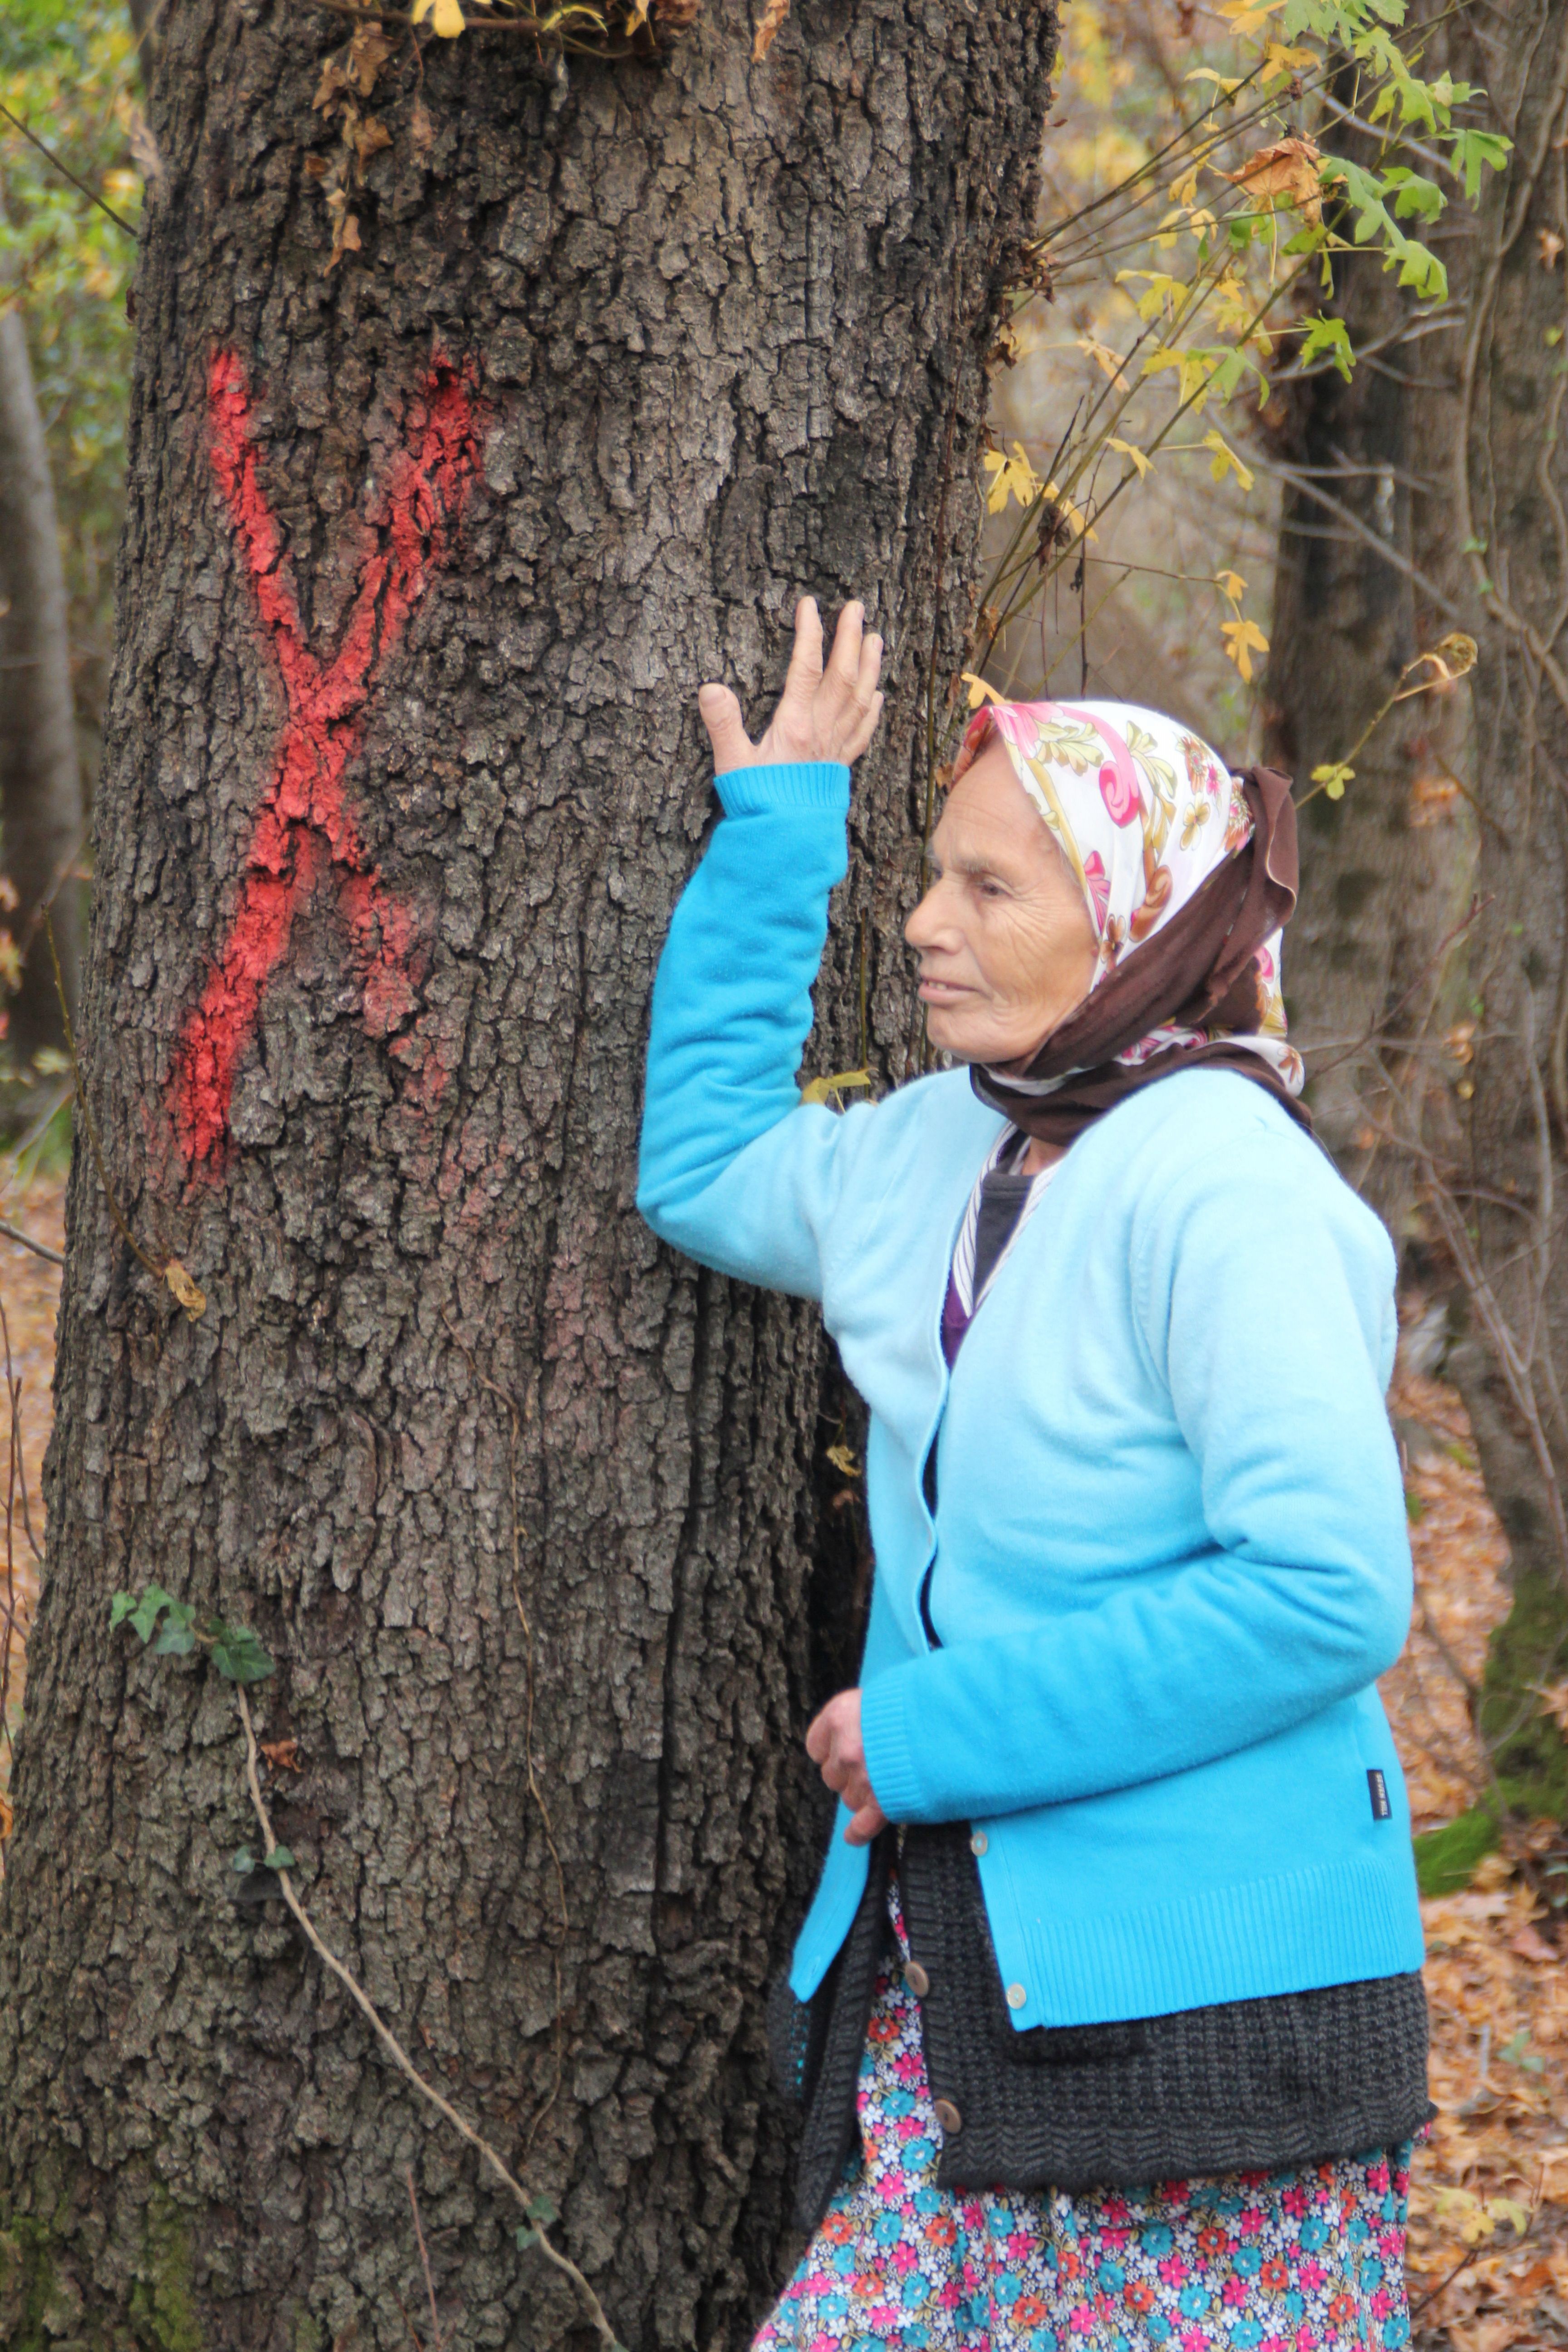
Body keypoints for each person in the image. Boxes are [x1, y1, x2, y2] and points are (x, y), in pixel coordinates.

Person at [637, 597, 1429, 2352]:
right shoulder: (937, 1144)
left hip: (1217, 2009)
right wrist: (785, 830)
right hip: (959, 1992)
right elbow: (702, 1168)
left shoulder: (1231, 1191)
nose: (923, 926)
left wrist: (938, 1736)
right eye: (929, 874)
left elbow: (1329, 1591)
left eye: (991, 889)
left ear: (1141, 919)